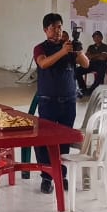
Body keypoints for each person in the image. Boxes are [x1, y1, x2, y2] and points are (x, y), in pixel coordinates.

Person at [33, 13, 88, 195]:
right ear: (45, 30)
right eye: (53, 27)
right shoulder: (40, 48)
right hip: (48, 101)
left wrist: (77, 51)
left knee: (64, 140)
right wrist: (62, 52)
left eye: (59, 27)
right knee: (44, 139)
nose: (57, 31)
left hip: (68, 101)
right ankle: (46, 177)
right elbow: (43, 63)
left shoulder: (68, 47)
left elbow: (86, 64)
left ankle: (61, 175)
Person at [76, 31, 107, 97]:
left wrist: (92, 56)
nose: (96, 39)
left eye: (98, 37)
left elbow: (103, 58)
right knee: (77, 71)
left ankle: (92, 89)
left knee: (101, 73)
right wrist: (99, 54)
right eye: (95, 37)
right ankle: (83, 89)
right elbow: (87, 56)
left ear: (101, 38)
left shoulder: (105, 47)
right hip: (91, 63)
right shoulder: (91, 47)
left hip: (101, 64)